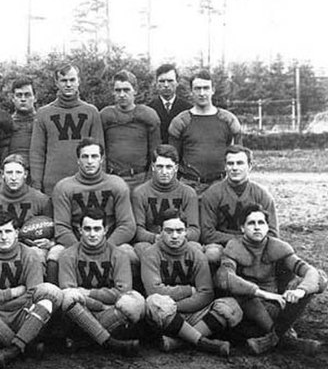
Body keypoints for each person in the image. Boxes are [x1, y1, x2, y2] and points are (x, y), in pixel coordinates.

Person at [214, 204, 326, 355]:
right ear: (242, 228)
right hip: (247, 309)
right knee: (248, 297)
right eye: (251, 223)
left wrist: (300, 291)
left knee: (319, 278)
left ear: (267, 226)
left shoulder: (277, 246)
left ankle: (273, 338)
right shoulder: (234, 246)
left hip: (277, 305)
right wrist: (261, 293)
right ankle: (287, 340)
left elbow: (311, 272)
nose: (257, 227)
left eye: (261, 223)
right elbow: (225, 278)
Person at [0, 210, 62, 367]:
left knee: (50, 291)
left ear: (16, 233)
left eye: (8, 231)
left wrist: (1, 300)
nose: (3, 237)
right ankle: (25, 345)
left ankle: (13, 349)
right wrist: (12, 293)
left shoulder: (30, 255)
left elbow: (34, 292)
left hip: (24, 314)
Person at [141, 209, 242, 356]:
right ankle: (204, 343)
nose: (174, 236)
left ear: (186, 232)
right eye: (169, 231)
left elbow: (206, 293)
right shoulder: (150, 254)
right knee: (155, 301)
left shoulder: (196, 254)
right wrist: (189, 290)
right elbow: (155, 290)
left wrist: (177, 307)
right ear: (160, 231)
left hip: (190, 312)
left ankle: (179, 341)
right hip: (166, 316)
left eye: (179, 230)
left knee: (231, 305)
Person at [58, 207, 145, 355]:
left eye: (97, 229)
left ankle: (84, 340)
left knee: (135, 301)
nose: (92, 234)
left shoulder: (119, 255)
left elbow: (122, 292)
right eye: (88, 229)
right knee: (68, 296)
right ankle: (110, 343)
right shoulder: (68, 255)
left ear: (105, 230)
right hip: (81, 312)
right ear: (80, 230)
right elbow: (69, 291)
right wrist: (101, 304)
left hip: (109, 312)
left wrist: (88, 293)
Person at [52, 138, 135, 256]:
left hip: (110, 241)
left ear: (101, 159)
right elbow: (61, 227)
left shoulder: (117, 185)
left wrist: (106, 247)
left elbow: (127, 226)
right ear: (78, 160)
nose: (90, 161)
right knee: (54, 254)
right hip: (76, 242)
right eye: (85, 157)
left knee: (129, 253)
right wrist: (79, 249)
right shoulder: (64, 187)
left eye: (94, 156)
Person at [30, 63, 104, 195]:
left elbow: (100, 150)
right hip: (53, 183)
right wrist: (36, 186)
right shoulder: (43, 113)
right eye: (64, 80)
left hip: (85, 183)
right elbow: (37, 153)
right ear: (56, 83)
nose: (68, 85)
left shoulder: (91, 112)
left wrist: (101, 182)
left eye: (72, 80)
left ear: (79, 81)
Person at [200, 145, 278, 264]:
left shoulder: (262, 195)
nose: (235, 168)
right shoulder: (212, 194)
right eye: (230, 164)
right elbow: (207, 233)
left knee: (280, 253)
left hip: (255, 246)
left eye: (240, 163)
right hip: (223, 246)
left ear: (250, 166)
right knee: (212, 254)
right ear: (225, 167)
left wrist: (251, 241)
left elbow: (272, 232)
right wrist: (239, 240)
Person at [168, 69, 242, 194]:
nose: (202, 93)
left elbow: (239, 156)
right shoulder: (181, 121)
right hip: (189, 186)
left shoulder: (228, 120)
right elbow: (172, 158)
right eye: (197, 88)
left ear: (213, 90)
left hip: (220, 185)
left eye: (206, 88)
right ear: (191, 91)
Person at [131, 144, 199, 258]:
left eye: (168, 167)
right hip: (151, 243)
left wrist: (175, 236)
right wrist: (157, 238)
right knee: (138, 249)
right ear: (153, 167)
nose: (164, 171)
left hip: (180, 241)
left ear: (176, 168)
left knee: (195, 248)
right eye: (160, 166)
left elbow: (195, 231)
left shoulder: (188, 193)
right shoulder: (140, 193)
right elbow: (138, 230)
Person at [100, 70, 160, 190]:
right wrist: (103, 178)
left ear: (135, 91)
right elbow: (100, 150)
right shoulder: (105, 115)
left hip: (139, 179)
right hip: (112, 179)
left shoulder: (148, 115)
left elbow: (155, 152)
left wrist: (149, 181)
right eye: (118, 90)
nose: (122, 94)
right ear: (113, 92)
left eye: (126, 90)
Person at [148, 64, 191, 144]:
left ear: (177, 82)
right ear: (156, 84)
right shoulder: (149, 109)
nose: (166, 85)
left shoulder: (188, 109)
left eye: (170, 81)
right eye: (162, 81)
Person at [8, 77, 37, 165]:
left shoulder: (42, 121)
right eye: (19, 95)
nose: (23, 99)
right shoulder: (7, 123)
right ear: (13, 98)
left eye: (27, 95)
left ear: (35, 98)